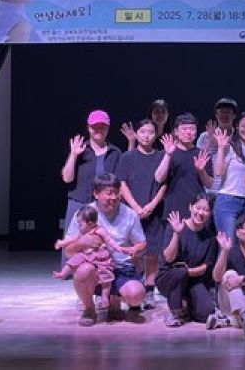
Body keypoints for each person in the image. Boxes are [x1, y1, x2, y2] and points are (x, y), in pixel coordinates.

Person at [63, 173, 147, 326]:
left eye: (116, 193)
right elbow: (68, 251)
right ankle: (89, 309)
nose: (113, 197)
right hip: (95, 268)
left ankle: (114, 300)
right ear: (96, 194)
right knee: (83, 270)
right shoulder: (84, 214)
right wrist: (82, 242)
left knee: (136, 296)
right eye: (109, 193)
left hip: (122, 268)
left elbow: (142, 243)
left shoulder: (130, 214)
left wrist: (135, 249)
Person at [116, 119, 167, 309]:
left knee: (152, 253)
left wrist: (152, 205)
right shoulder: (127, 157)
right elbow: (122, 184)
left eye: (151, 132)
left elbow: (165, 184)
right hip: (131, 213)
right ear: (136, 134)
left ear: (156, 135)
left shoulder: (161, 156)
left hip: (154, 211)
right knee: (135, 252)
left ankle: (150, 289)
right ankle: (135, 288)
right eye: (143, 131)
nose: (147, 136)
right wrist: (136, 208)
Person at [53, 205, 133, 310]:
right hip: (87, 255)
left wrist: (118, 248)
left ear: (90, 224)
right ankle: (63, 273)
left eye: (80, 224)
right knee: (73, 260)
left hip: (100, 257)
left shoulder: (99, 230)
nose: (79, 227)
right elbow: (73, 239)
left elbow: (109, 240)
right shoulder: (82, 232)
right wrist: (62, 243)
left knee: (106, 276)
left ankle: (104, 296)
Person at [61, 110, 122, 247]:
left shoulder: (115, 153)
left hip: (105, 206)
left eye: (103, 127)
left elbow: (119, 184)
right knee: (73, 245)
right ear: (88, 128)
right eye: (95, 126)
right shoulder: (80, 149)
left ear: (108, 128)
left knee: (102, 247)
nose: (99, 130)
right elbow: (67, 178)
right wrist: (73, 154)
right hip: (79, 203)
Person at [156, 196, 218, 327]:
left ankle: (187, 305)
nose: (200, 213)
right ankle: (175, 312)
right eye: (198, 208)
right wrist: (177, 234)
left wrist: (186, 272)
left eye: (206, 210)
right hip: (169, 278)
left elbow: (204, 267)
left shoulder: (210, 237)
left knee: (207, 312)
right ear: (190, 207)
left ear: (210, 213)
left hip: (192, 280)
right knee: (179, 273)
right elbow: (168, 258)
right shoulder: (175, 227)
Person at [154, 113, 213, 220]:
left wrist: (201, 171)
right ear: (176, 131)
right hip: (173, 210)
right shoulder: (166, 153)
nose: (188, 132)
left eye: (192, 129)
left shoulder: (202, 154)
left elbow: (209, 184)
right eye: (184, 129)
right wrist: (168, 155)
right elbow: (158, 178)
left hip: (197, 210)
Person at [213, 112, 245, 241]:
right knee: (228, 244)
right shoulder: (230, 147)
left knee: (242, 246)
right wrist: (221, 148)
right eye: (243, 126)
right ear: (237, 127)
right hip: (228, 201)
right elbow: (218, 172)